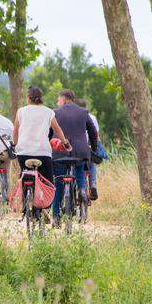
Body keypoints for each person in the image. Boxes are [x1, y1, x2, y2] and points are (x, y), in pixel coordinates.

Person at [12, 86, 71, 201]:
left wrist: (14, 145)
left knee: (24, 173)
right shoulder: (48, 112)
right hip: (43, 153)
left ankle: (24, 203)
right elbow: (57, 130)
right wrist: (65, 143)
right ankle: (45, 207)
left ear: (28, 98)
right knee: (48, 182)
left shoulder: (21, 111)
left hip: (23, 152)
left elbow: (15, 130)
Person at [51, 89, 98, 222]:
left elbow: (49, 132)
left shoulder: (55, 113)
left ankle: (56, 216)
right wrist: (93, 148)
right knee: (80, 171)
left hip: (60, 152)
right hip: (80, 151)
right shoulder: (83, 112)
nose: (57, 102)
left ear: (64, 99)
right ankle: (82, 190)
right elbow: (93, 132)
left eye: (58, 99)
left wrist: (49, 146)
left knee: (59, 183)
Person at [75, 98, 103, 200]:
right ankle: (93, 185)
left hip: (77, 146)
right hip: (89, 145)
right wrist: (96, 148)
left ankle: (77, 187)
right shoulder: (93, 117)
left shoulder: (75, 116)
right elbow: (96, 134)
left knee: (76, 165)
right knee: (91, 163)